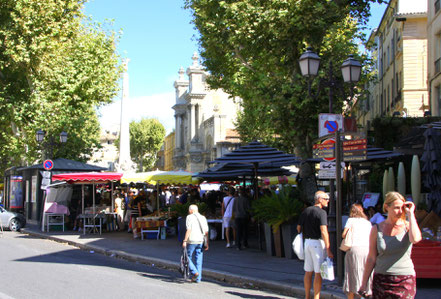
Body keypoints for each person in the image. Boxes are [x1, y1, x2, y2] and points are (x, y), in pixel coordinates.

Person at [359, 191, 422, 299]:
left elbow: (415, 239)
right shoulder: (376, 229)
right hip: (381, 278)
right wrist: (364, 283)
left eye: (402, 208)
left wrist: (411, 214)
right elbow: (371, 258)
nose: (400, 211)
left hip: (404, 278)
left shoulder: (408, 226)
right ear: (386, 207)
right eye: (396, 208)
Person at [297, 190, 333, 299]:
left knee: (308, 271)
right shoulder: (322, 213)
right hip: (317, 243)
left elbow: (298, 227)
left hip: (307, 242)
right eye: (326, 199)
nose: (328, 201)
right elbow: (323, 231)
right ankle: (316, 297)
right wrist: (328, 248)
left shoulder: (306, 211)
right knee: (318, 273)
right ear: (320, 199)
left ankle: (307, 296)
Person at [342, 204, 372, 299]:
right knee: (364, 273)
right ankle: (365, 293)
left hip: (354, 249)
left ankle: (355, 296)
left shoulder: (351, 220)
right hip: (367, 249)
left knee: (352, 275)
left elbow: (344, 234)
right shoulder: (367, 222)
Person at [182, 204, 209, 283]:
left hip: (192, 240)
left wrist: (185, 241)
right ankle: (198, 278)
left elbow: (189, 229)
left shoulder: (189, 217)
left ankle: (194, 272)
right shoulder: (203, 217)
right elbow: (206, 232)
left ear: (191, 210)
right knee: (199, 259)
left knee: (186, 257)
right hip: (201, 240)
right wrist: (207, 243)